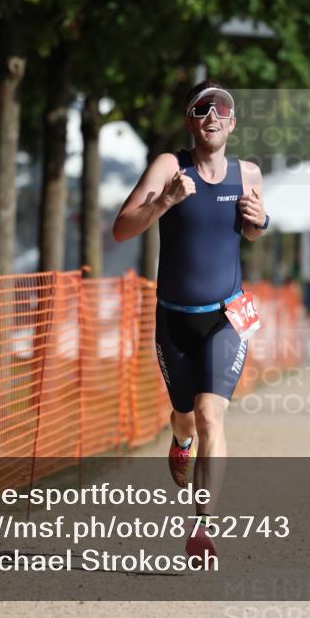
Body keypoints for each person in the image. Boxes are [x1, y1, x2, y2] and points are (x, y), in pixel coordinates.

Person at [112, 80, 269, 558]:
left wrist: (260, 221)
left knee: (210, 416)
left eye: (222, 109)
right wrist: (164, 202)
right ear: (190, 121)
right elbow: (121, 229)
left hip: (226, 316)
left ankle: (203, 527)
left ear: (232, 123)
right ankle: (179, 440)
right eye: (202, 109)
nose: (212, 116)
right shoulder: (169, 167)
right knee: (184, 416)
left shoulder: (248, 173)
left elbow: (252, 232)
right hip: (174, 320)